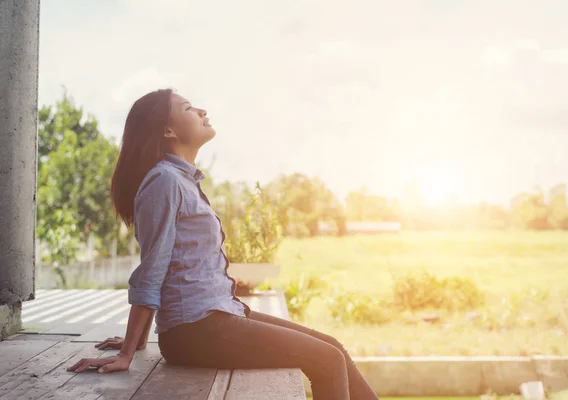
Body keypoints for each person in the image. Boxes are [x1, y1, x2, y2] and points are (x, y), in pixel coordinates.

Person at [65, 88, 379, 400]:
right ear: (168, 130)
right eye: (189, 108)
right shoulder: (165, 181)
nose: (202, 111)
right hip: (196, 330)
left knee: (333, 348)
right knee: (327, 360)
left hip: (215, 316)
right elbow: (153, 267)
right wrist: (127, 353)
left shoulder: (181, 180)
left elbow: (172, 265)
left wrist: (138, 340)